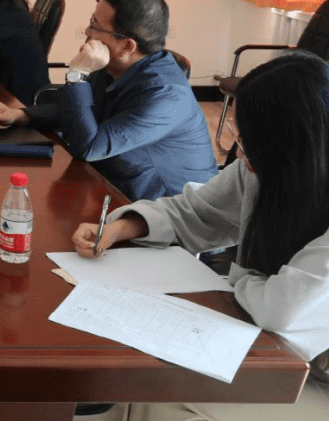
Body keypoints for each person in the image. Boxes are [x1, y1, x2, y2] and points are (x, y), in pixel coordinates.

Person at [72, 53, 329, 378]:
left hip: (310, 374)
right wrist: (123, 227)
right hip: (254, 340)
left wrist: (241, 278)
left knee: (145, 385)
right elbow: (196, 212)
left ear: (289, 145)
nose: (240, 152)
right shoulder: (263, 170)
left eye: (249, 141)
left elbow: (282, 311)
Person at [0, 0, 217, 201]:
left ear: (127, 46)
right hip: (114, 190)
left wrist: (78, 75)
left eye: (94, 25)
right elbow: (83, 110)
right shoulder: (115, 65)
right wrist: (23, 115)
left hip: (168, 213)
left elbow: (90, 147)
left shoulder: (166, 95)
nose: (87, 31)